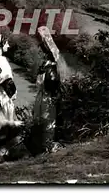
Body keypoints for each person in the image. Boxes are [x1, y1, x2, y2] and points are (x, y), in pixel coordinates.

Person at [31, 26, 68, 154]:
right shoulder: (45, 62)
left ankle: (48, 147)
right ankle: (40, 146)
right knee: (39, 120)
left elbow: (57, 79)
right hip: (42, 94)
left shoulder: (54, 62)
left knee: (48, 121)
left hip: (49, 95)